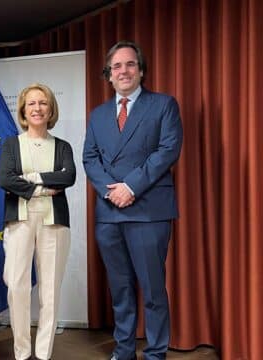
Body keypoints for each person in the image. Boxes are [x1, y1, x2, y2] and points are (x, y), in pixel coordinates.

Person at [83, 41, 183, 360]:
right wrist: (111, 190)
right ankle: (123, 350)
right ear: (108, 75)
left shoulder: (164, 105)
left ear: (141, 70)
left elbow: (167, 150)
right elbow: (89, 158)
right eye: (116, 66)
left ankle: (155, 354)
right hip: (109, 212)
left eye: (129, 64)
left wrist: (131, 186)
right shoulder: (97, 115)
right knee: (121, 290)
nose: (123, 71)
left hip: (148, 211)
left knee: (153, 290)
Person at [0, 83, 76, 360]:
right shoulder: (11, 144)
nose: (37, 108)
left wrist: (30, 178)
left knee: (50, 290)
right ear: (23, 109)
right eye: (31, 103)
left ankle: (43, 354)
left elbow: (68, 178)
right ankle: (21, 352)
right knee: (17, 286)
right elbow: (5, 179)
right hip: (19, 220)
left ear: (51, 108)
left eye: (43, 103)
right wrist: (44, 185)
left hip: (54, 222)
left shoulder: (62, 146)